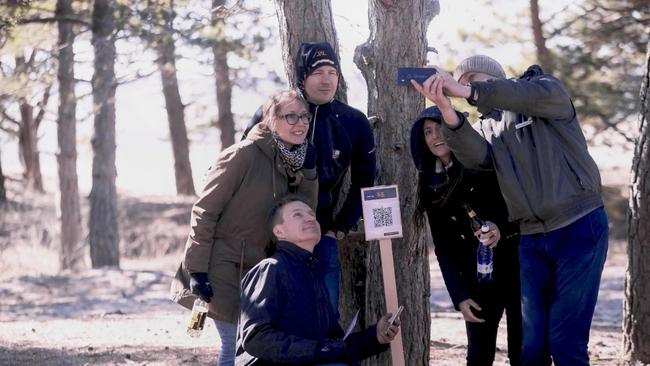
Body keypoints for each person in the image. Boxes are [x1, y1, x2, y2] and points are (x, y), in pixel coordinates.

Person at [411, 56, 608, 366]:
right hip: (532, 239)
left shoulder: (543, 89)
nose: (464, 88)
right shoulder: (486, 126)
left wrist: (465, 90)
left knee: (565, 341)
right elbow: (477, 158)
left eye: (472, 80)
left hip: (578, 225)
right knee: (531, 348)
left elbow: (524, 95)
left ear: (495, 77)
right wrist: (447, 109)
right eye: (460, 84)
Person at [170, 90, 319, 366]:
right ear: (271, 120)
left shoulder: (292, 160)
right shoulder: (241, 155)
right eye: (290, 117)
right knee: (235, 344)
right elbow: (204, 211)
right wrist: (197, 270)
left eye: (304, 117)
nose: (300, 124)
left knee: (251, 345)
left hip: (260, 270)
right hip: (222, 265)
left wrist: (309, 173)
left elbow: (302, 212)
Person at [243, 42, 376, 318]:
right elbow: (245, 166)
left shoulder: (353, 122)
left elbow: (365, 180)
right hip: (269, 237)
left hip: (320, 234)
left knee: (324, 318)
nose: (327, 79)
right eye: (318, 72)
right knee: (269, 319)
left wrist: (339, 227)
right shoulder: (271, 113)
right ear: (303, 76)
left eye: (333, 71)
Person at [410, 106, 521, 366]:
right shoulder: (430, 183)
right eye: (428, 131)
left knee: (525, 352)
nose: (435, 136)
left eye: (440, 128)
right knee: (478, 356)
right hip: (478, 279)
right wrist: (458, 295)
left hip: (516, 268)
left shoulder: (481, 163)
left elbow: (517, 212)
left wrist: (500, 230)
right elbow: (443, 246)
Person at [236, 195, 399, 366]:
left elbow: (334, 345)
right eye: (298, 215)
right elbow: (256, 337)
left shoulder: (313, 274)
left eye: (311, 213)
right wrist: (318, 350)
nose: (310, 218)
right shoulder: (270, 268)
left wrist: (376, 336)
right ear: (279, 232)